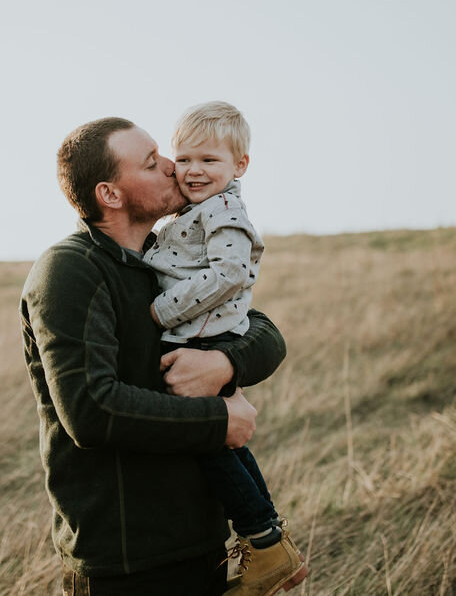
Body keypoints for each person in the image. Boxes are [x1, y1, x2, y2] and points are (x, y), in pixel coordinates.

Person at [21, 116, 288, 595]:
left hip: (201, 541)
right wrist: (218, 420)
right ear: (110, 195)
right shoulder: (71, 270)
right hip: (128, 561)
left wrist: (226, 363)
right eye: (153, 163)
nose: (174, 167)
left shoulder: (162, 259)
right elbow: (91, 410)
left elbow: (263, 331)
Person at [145, 102, 306, 595]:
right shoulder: (200, 208)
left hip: (203, 338)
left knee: (208, 442)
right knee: (227, 441)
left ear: (240, 166)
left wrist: (159, 312)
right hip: (203, 335)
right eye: (185, 159)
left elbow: (230, 272)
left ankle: (262, 539)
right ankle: (272, 542)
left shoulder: (224, 208)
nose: (194, 170)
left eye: (209, 161)